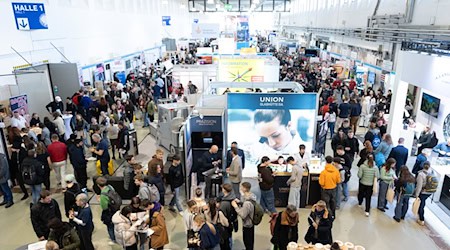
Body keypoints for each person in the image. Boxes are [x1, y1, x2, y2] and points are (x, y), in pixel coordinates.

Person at [231, 182, 257, 250]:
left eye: (241, 187)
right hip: (251, 222)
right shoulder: (251, 196)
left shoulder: (247, 203)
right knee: (250, 240)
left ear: (244, 189)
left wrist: (236, 206)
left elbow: (243, 215)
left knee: (247, 241)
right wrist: (240, 202)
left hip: (247, 224)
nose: (240, 189)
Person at [96, 177, 117, 243]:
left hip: (109, 212)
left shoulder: (103, 195)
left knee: (110, 226)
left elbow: (104, 207)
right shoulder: (110, 187)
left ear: (98, 185)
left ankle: (113, 239)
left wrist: (99, 200)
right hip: (115, 208)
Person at [218, 183, 237, 250]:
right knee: (230, 237)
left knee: (226, 241)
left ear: (224, 190)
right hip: (232, 222)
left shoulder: (224, 204)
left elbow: (223, 217)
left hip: (226, 225)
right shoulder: (233, 198)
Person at [415, 162, 434, 226]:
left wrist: (416, 194)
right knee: (422, 202)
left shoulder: (421, 174)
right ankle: (419, 216)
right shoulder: (432, 172)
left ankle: (421, 219)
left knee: (421, 204)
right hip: (430, 191)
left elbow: (419, 186)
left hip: (424, 191)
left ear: (423, 166)